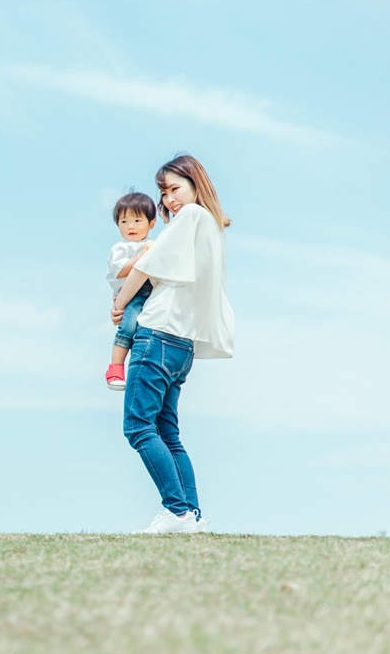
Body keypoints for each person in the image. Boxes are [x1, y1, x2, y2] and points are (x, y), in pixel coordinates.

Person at [110, 154, 234, 534]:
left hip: (158, 334)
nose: (169, 200)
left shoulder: (190, 217)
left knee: (138, 425)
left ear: (196, 184)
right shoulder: (213, 226)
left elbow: (145, 267)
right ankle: (192, 516)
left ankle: (176, 511)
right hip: (183, 345)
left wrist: (119, 304)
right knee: (167, 432)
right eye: (164, 193)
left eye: (175, 189)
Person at [104, 192, 157, 391]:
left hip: (152, 291)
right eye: (124, 221)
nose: (130, 226)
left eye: (137, 220)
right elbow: (121, 270)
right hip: (132, 293)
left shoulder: (153, 244)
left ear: (151, 223)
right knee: (128, 328)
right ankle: (115, 367)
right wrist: (143, 256)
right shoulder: (121, 248)